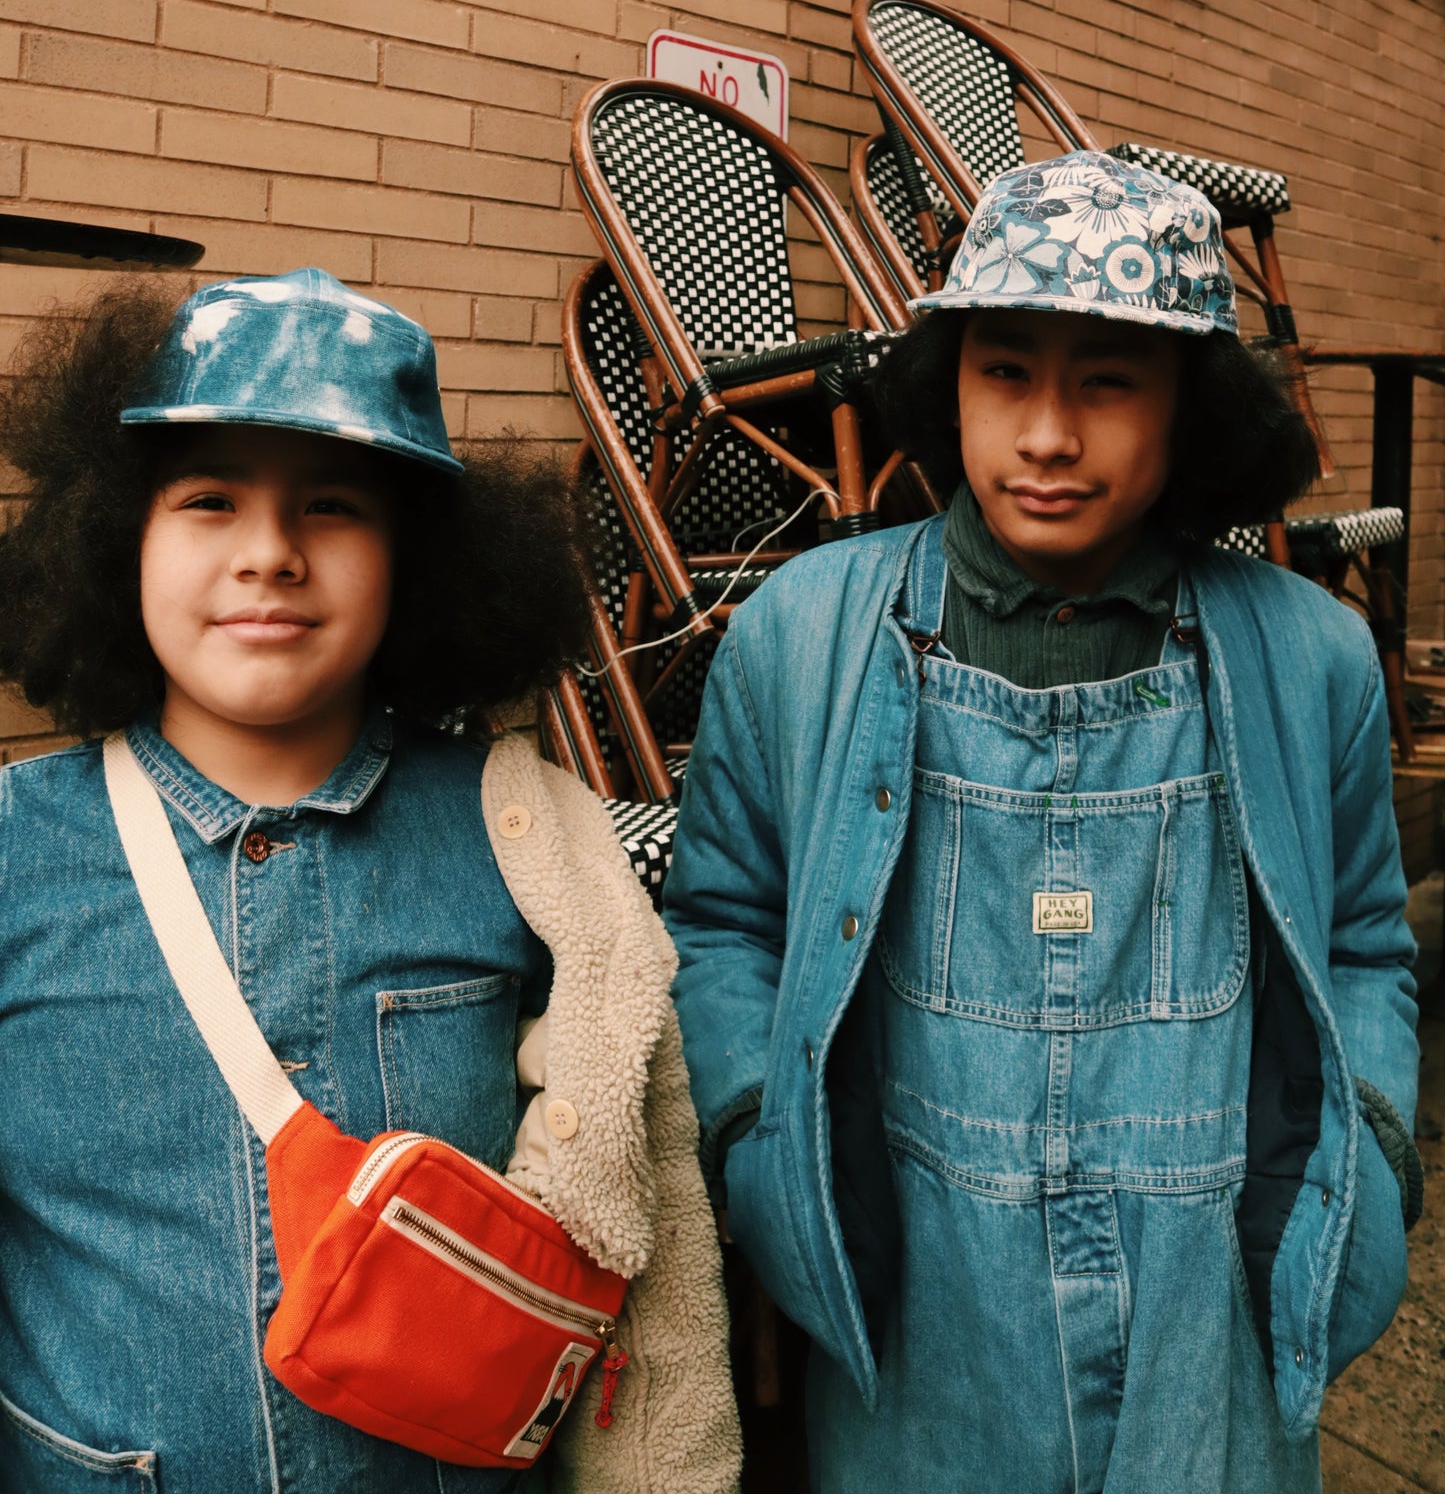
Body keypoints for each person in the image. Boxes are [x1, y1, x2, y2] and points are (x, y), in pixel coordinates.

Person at [664, 152, 1421, 1493]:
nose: (1049, 435)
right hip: (914, 1327)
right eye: (1005, 372)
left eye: (1108, 382)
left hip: (1216, 1331)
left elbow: (1363, 940)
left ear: (1190, 408)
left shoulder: (1310, 660)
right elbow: (727, 921)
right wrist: (756, 1149)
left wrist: (1365, 1154)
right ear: (948, 384)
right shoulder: (801, 636)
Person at [0, 268, 739, 1494]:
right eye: (209, 498)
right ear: (114, 534)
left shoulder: (521, 842)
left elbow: (634, 1253)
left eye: (332, 505)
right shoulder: (18, 849)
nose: (270, 554)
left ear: (417, 558)